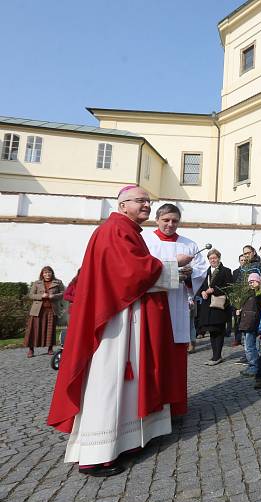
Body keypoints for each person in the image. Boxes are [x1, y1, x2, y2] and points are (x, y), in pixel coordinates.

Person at [47, 185, 190, 477]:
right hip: (115, 323)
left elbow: (135, 270)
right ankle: (96, 454)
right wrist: (174, 264)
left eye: (149, 201)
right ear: (123, 205)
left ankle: (126, 441)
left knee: (125, 383)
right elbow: (132, 274)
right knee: (108, 382)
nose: (147, 205)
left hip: (126, 317)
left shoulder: (126, 230)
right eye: (141, 201)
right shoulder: (115, 230)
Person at [143, 203, 209, 415]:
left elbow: (200, 271)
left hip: (178, 305)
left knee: (175, 360)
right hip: (152, 303)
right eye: (166, 220)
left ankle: (176, 405)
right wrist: (173, 267)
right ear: (157, 220)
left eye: (175, 221)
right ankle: (154, 405)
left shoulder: (189, 244)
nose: (170, 224)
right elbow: (143, 269)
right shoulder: (145, 240)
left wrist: (189, 274)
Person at [197, 249, 234, 366]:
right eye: (210, 258)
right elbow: (200, 287)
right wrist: (202, 292)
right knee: (212, 331)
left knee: (219, 331)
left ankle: (217, 356)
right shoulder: (205, 272)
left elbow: (229, 287)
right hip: (207, 307)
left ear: (219, 258)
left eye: (215, 258)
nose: (213, 260)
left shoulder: (226, 271)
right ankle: (215, 355)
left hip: (219, 306)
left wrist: (214, 290)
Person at [24, 266, 65, 357]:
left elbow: (63, 294)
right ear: (42, 274)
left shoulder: (58, 282)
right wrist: (41, 296)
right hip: (37, 311)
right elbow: (31, 295)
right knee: (34, 330)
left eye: (49, 272)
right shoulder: (37, 283)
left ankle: (50, 349)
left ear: (52, 273)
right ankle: (31, 350)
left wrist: (53, 296)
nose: (47, 274)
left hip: (51, 310)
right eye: (45, 273)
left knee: (50, 330)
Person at [238, 273, 261, 377]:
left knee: (251, 347)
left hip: (253, 323)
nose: (251, 284)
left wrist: (258, 288)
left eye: (253, 281)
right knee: (249, 346)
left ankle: (254, 366)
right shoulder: (248, 294)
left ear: (258, 282)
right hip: (247, 323)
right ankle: (253, 365)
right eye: (250, 282)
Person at [230, 254, 249, 348]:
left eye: (245, 260)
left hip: (247, 298)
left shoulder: (249, 271)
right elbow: (233, 286)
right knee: (237, 319)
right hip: (237, 299)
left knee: (245, 319)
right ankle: (237, 339)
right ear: (239, 261)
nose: (243, 262)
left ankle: (246, 338)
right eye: (241, 260)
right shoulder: (235, 272)